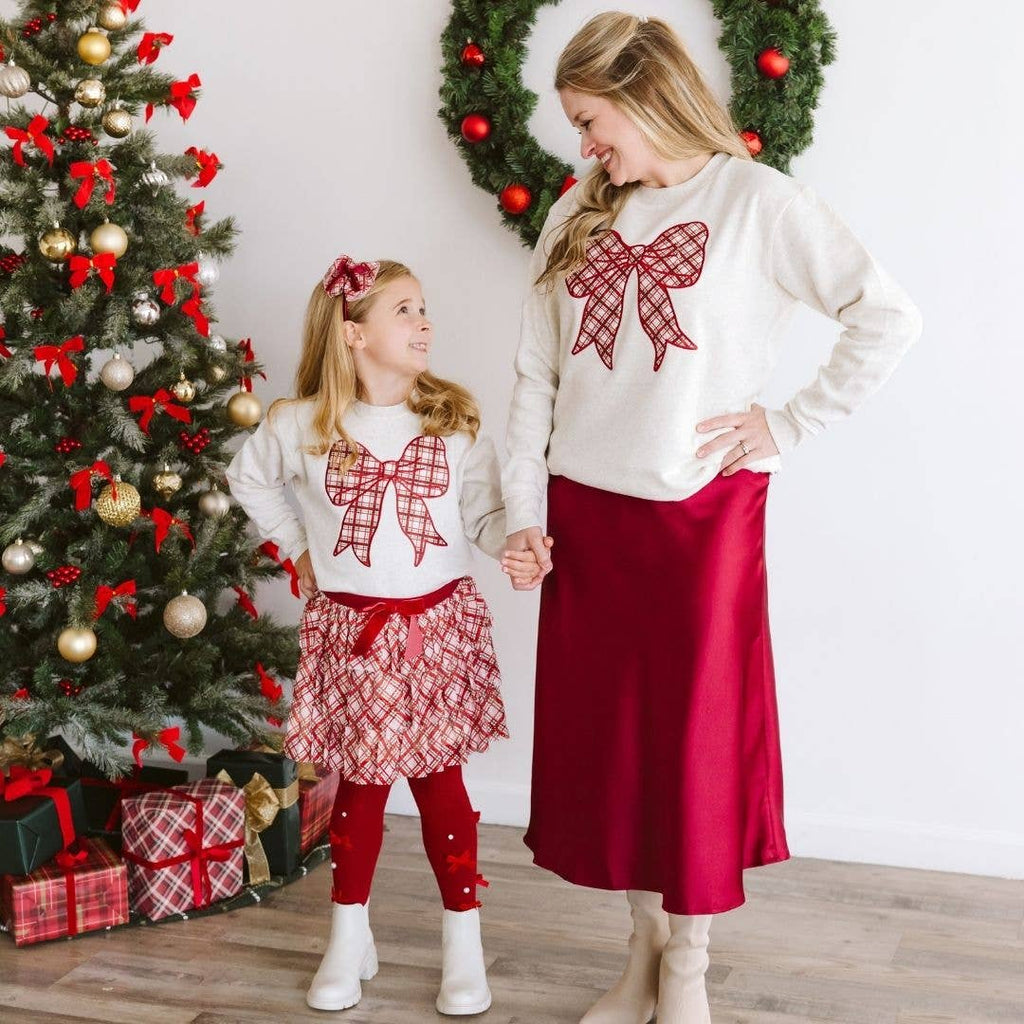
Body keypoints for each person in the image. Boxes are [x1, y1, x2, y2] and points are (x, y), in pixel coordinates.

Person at [500, 13, 922, 1023]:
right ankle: (640, 950)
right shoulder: (575, 213)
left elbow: (885, 315)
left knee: (688, 744)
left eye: (592, 121)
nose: (585, 146)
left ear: (645, 95)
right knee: (616, 751)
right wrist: (521, 511)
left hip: (699, 518)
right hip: (587, 520)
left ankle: (688, 963)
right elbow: (530, 380)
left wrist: (787, 421)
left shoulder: (758, 203)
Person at [227, 255, 545, 1015]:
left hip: (436, 631)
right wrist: (300, 549)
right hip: (353, 635)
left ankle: (462, 943)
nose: (425, 322)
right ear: (353, 331)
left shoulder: (453, 421)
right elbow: (248, 480)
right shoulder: (298, 424)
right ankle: (347, 937)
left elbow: (482, 515)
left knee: (442, 788)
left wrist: (515, 540)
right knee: (361, 790)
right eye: (405, 310)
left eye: (424, 309)